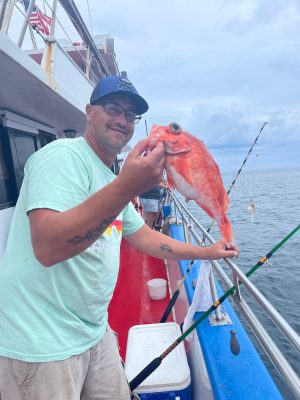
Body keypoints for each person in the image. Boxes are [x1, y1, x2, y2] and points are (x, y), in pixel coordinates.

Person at [0, 75, 239, 400]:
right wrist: (128, 185)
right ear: (89, 112)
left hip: (94, 330)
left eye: (130, 115)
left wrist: (207, 251)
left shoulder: (107, 175)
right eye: (113, 108)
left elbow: (143, 237)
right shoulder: (62, 157)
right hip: (40, 343)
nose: (122, 120)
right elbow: (47, 246)